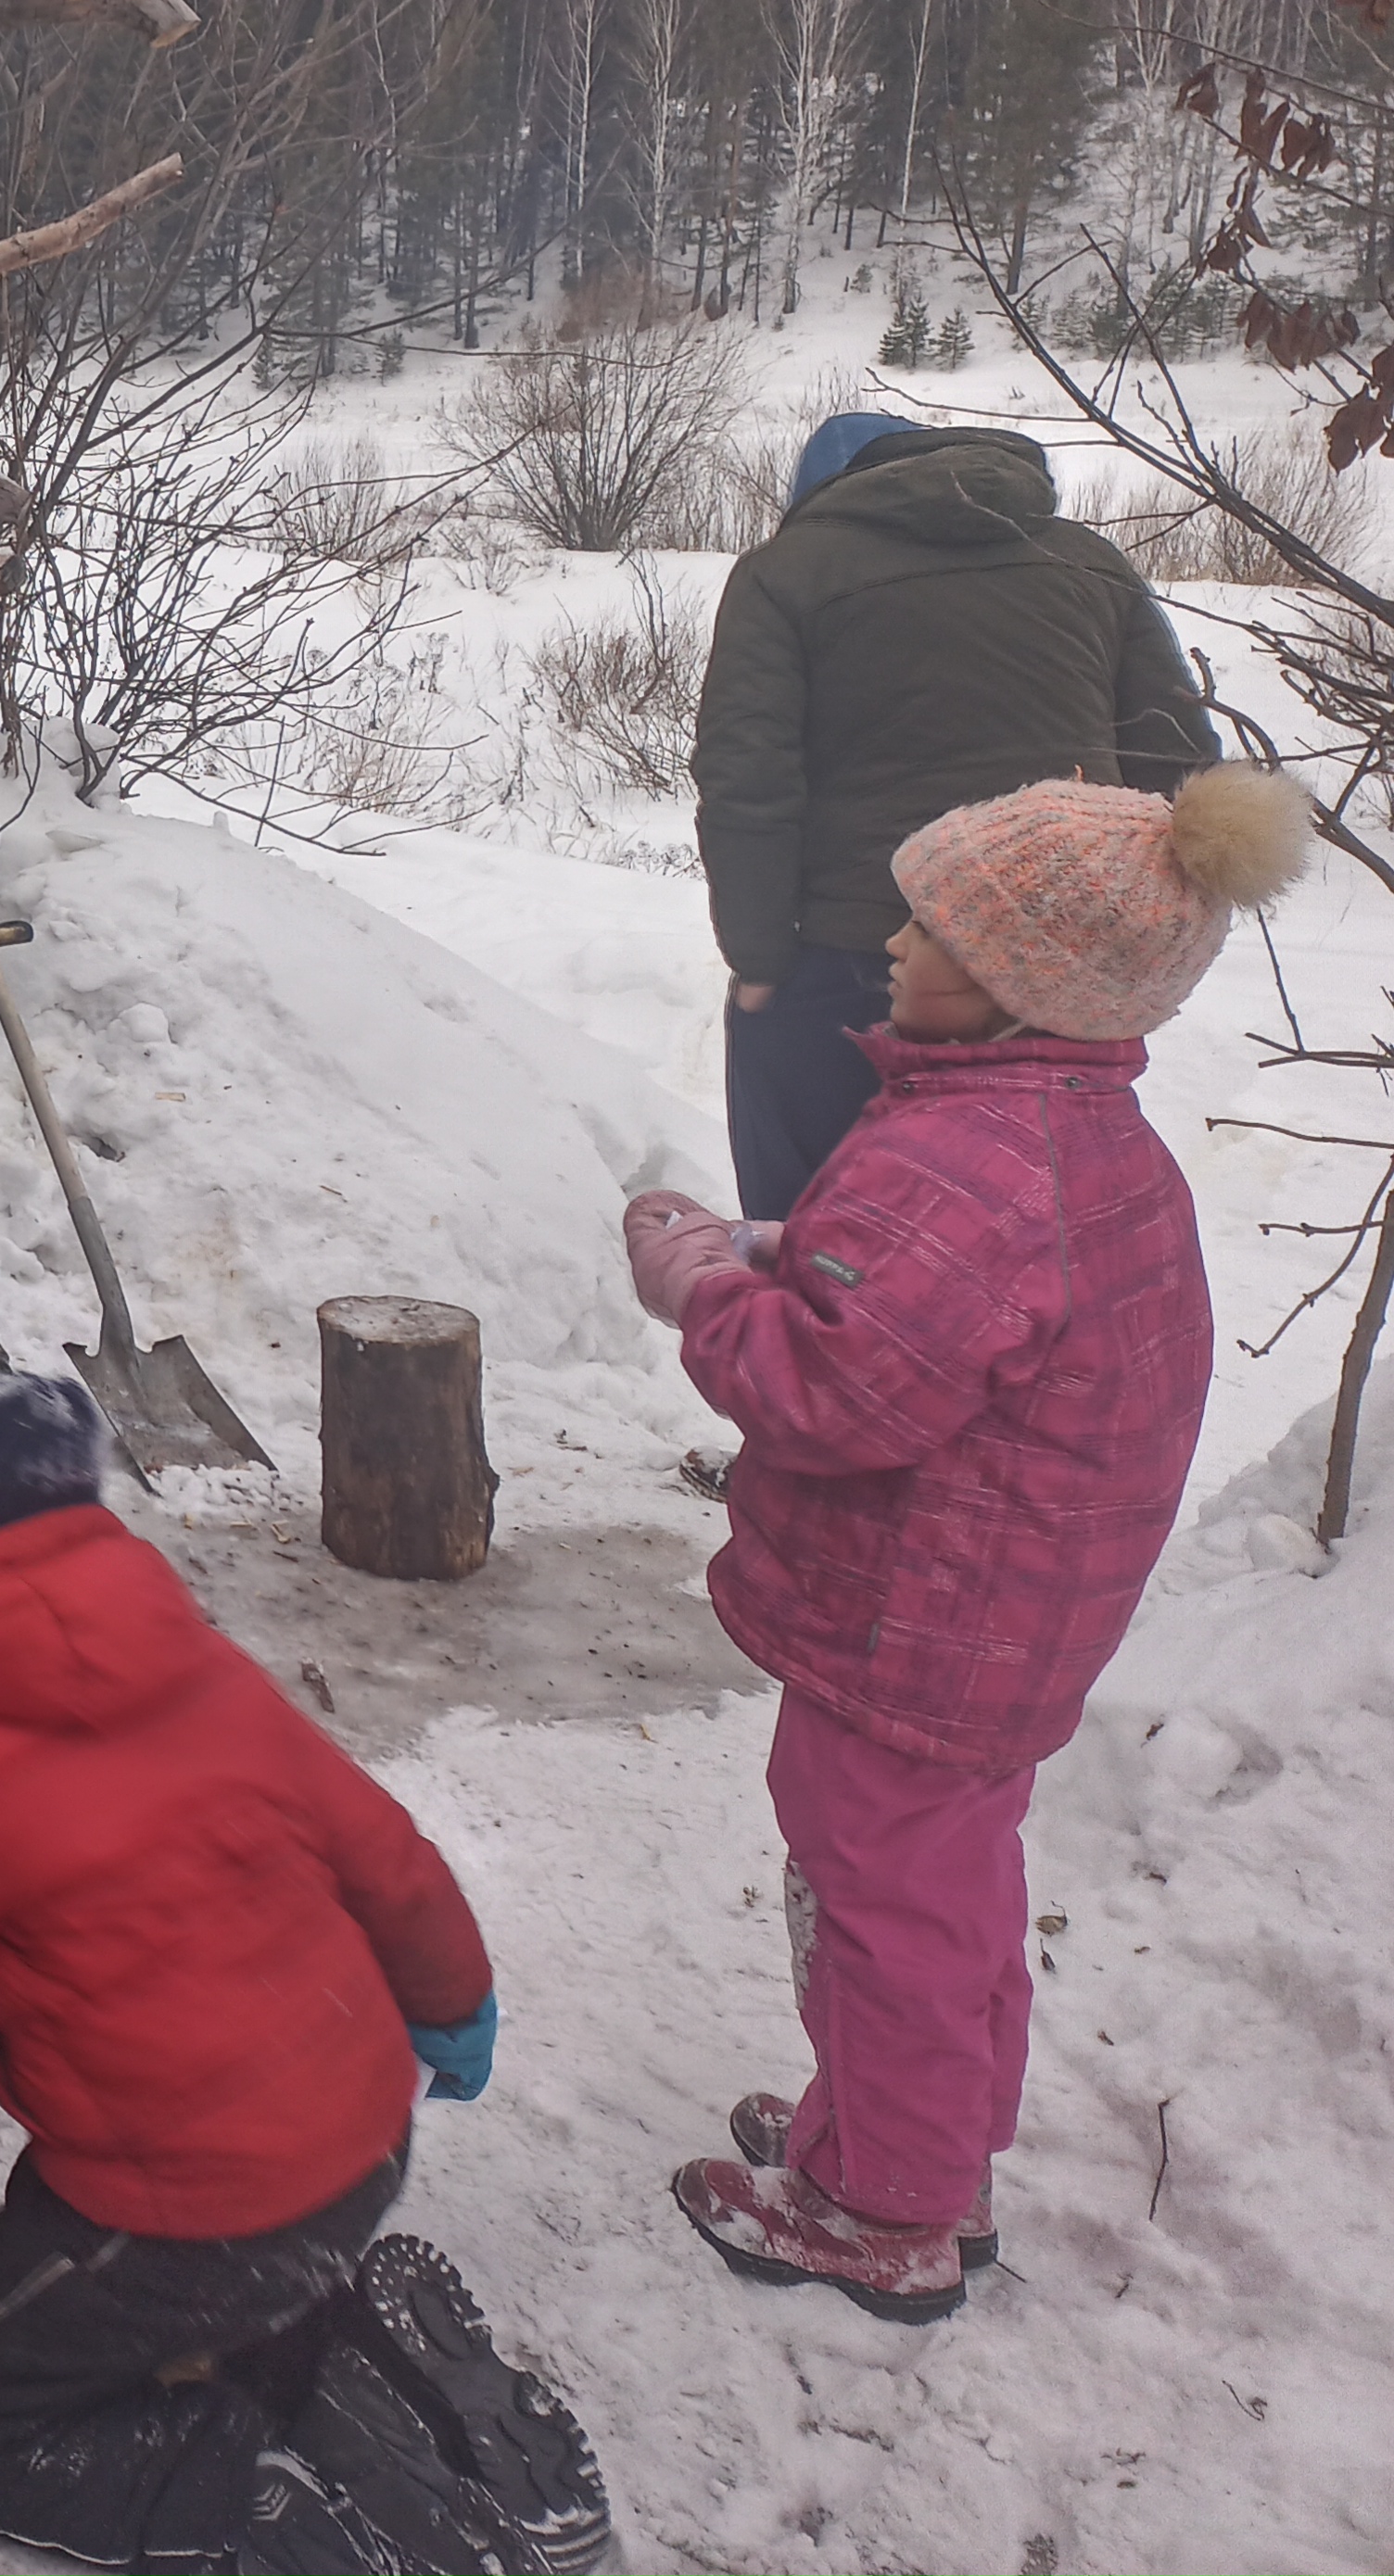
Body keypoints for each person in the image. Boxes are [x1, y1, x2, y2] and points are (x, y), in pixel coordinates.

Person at [0, 1374, 604, 2576]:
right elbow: (391, 1863)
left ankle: (255, 2488)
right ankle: (339, 2355)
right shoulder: (210, 1675)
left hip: (199, 2212)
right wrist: (456, 2013)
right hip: (362, 2144)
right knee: (99, 2240)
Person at [622, 764, 1309, 2318]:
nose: (888, 939)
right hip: (1004, 1619)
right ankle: (909, 2135)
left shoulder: (966, 1157)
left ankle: (883, 2205)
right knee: (941, 1887)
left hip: (913, 1625)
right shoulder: (1055, 1133)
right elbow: (935, 1299)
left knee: (882, 1898)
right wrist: (783, 1250)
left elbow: (829, 1381)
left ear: (1016, 988)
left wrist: (701, 1286)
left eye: (930, 924)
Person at [694, 409, 1215, 1220]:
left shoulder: (784, 572)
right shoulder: (1090, 563)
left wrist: (760, 962)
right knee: (1027, 1228)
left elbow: (748, 783)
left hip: (855, 954)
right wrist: (1121, 955)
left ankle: (803, 1334)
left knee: (810, 1228)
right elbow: (1178, 768)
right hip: (1052, 964)